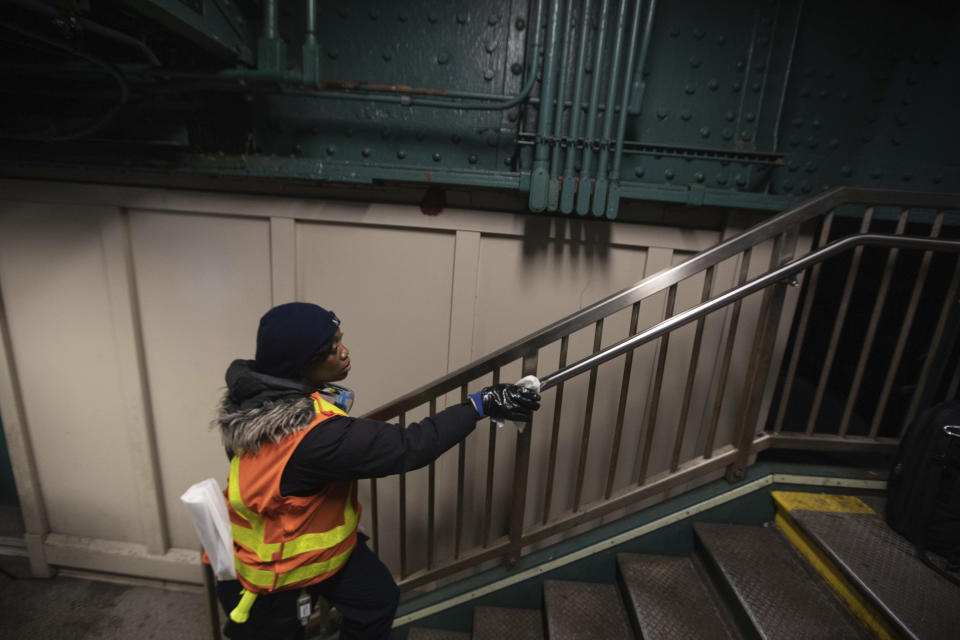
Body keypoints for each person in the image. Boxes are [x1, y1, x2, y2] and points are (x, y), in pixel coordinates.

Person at [213, 302, 541, 639]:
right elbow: (410, 446)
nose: (344, 352)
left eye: (340, 339)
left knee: (377, 599)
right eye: (331, 348)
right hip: (272, 573)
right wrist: (480, 404)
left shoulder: (253, 397)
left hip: (302, 539)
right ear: (301, 365)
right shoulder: (316, 437)